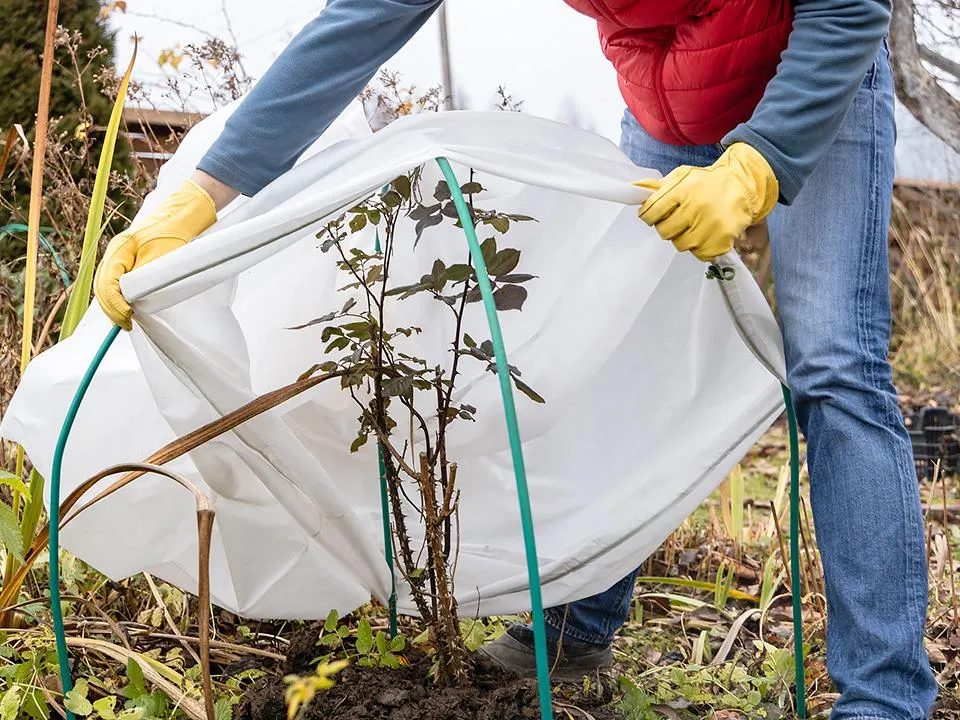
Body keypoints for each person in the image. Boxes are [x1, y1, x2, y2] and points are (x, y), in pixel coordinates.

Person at [93, 1, 937, 717]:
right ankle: (576, 629)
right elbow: (364, 19)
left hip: (809, 71)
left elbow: (850, 6)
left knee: (833, 365)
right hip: (667, 100)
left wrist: (760, 163)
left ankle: (884, 692)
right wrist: (202, 194)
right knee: (616, 350)